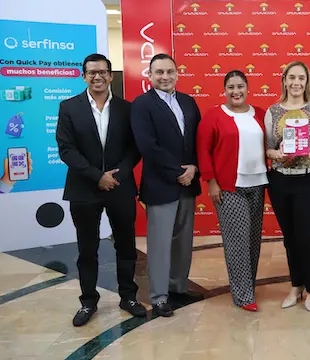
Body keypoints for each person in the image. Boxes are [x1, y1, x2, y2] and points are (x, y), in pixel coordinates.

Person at [56, 53, 146, 326]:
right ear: (83, 76)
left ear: (110, 76)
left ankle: (128, 296)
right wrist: (97, 176)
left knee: (126, 246)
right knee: (87, 248)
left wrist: (116, 174)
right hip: (84, 188)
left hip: (119, 186)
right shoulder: (69, 107)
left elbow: (135, 148)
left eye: (102, 72)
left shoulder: (127, 108)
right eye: (91, 72)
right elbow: (66, 149)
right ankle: (88, 301)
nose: (97, 76)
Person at [131, 53, 203, 317]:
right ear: (150, 76)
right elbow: (147, 146)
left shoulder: (188, 101)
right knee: (160, 243)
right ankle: (159, 296)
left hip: (188, 181)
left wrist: (194, 167)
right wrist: (177, 172)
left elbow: (198, 139)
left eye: (169, 71)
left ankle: (178, 288)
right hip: (161, 184)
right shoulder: (141, 104)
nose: (165, 77)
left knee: (183, 241)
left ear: (177, 73)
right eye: (159, 72)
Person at [196, 70, 267, 312]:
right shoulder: (214, 116)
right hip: (229, 187)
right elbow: (203, 151)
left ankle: (248, 285)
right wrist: (211, 181)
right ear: (224, 90)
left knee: (253, 241)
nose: (236, 91)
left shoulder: (260, 113)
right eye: (231, 87)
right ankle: (243, 295)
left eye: (240, 86)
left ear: (248, 88)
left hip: (258, 184)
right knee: (237, 241)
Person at [265, 61, 310, 311]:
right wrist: (275, 155)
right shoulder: (272, 111)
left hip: (308, 180)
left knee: (305, 237)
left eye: (301, 78)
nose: (296, 83)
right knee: (289, 238)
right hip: (280, 180)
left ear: (307, 81)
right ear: (284, 80)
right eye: (291, 77)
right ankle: (296, 286)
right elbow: (268, 148)